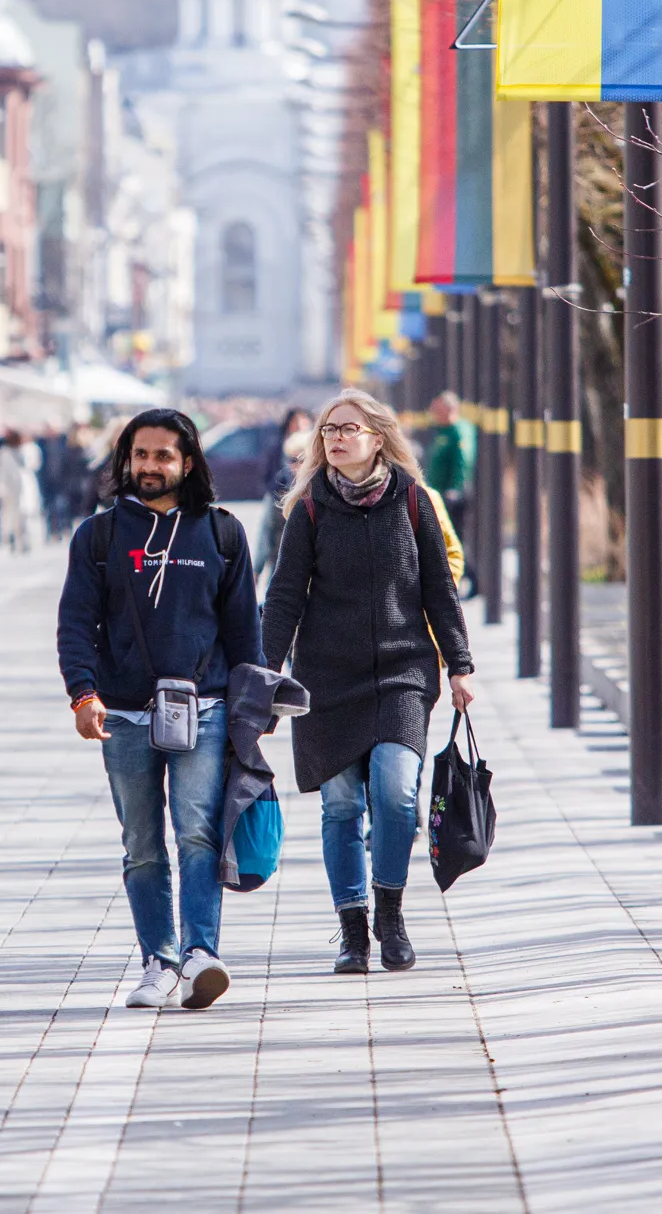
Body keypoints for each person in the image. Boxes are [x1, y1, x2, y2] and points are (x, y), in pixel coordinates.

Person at [260, 390, 475, 975]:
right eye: (328, 430)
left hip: (403, 671)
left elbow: (438, 585)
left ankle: (391, 912)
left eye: (348, 429)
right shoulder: (308, 508)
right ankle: (353, 932)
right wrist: (264, 671)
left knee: (397, 792)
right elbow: (284, 596)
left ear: (377, 437)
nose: (334, 438)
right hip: (326, 678)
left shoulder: (412, 500)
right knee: (340, 804)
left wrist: (459, 664)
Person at [56, 409, 259, 1012]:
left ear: (187, 462)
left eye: (162, 455)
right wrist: (82, 693)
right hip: (122, 714)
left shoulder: (222, 533)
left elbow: (245, 633)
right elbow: (75, 624)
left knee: (198, 833)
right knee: (142, 844)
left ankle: (201, 954)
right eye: (139, 455)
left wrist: (253, 714)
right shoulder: (96, 537)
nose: (149, 466)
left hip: (207, 708)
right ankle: (158, 960)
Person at [424, 391, 479, 596]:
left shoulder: (458, 430)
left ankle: (472, 579)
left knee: (454, 538)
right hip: (439, 494)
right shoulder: (442, 431)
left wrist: (455, 489)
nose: (434, 414)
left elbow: (463, 460)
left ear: (449, 409)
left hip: (453, 496)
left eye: (438, 409)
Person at [255, 427, 312, 584]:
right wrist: (256, 569)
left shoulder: (325, 489)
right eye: (291, 460)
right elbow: (266, 530)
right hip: (281, 566)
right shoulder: (279, 487)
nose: (296, 466)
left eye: (302, 459)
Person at [0, 429, 42, 554]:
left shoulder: (30, 449)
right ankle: (13, 539)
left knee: (25, 514)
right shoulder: (4, 452)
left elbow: (35, 465)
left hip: (25, 487)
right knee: (12, 516)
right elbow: (0, 472)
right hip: (10, 489)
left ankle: (25, 540)